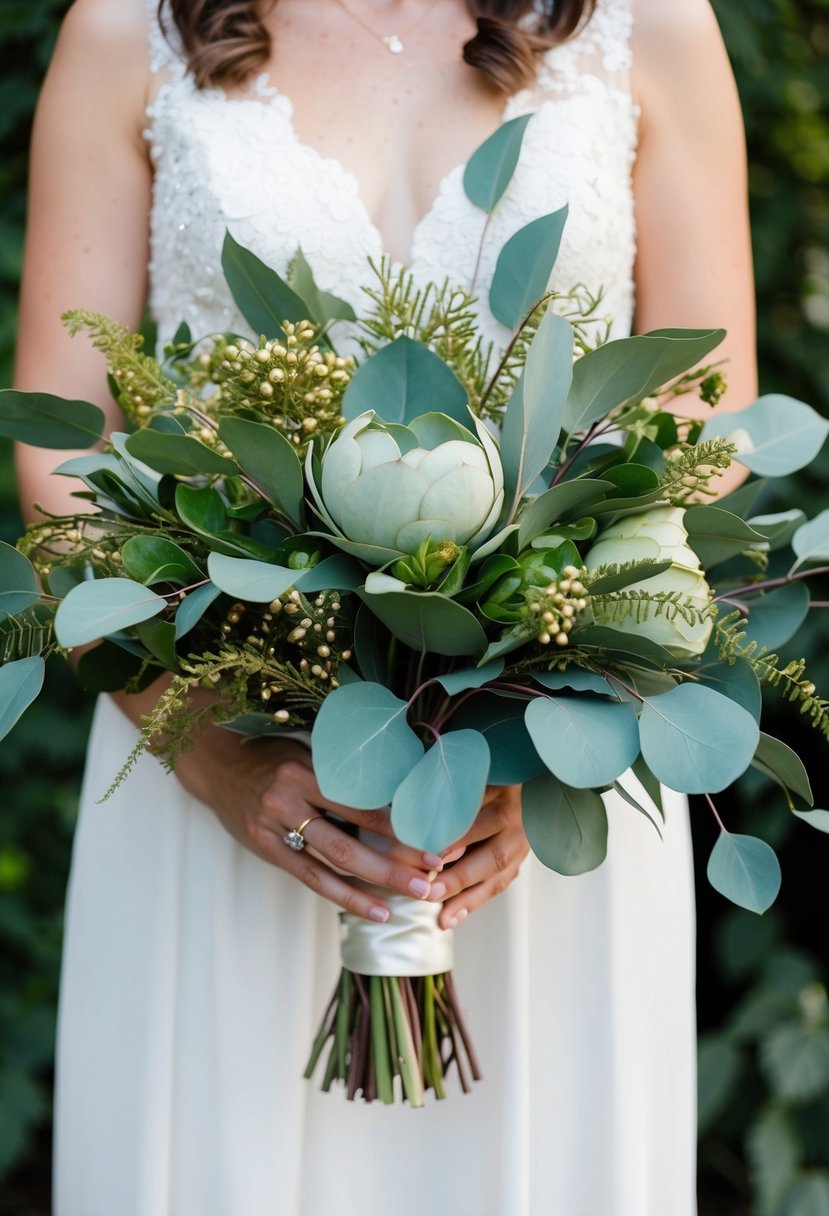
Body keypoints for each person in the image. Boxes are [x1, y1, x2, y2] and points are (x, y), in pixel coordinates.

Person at [14, 0, 756, 1212]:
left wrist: (557, 719)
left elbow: (709, 428)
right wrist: (203, 743)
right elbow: (63, 453)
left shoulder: (651, 20)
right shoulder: (125, 27)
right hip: (228, 773)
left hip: (549, 809)